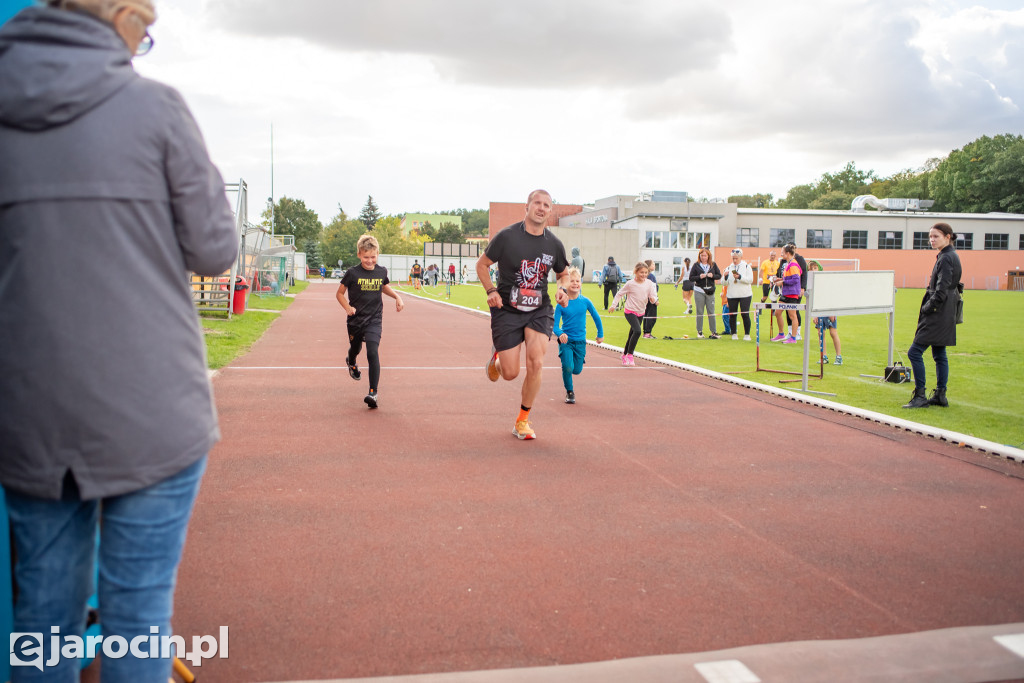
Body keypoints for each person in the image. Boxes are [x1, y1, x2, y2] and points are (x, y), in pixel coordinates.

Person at [0, 1, 238, 680]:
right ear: (126, 18)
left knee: (42, 620)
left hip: (27, 410)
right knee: (138, 618)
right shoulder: (157, 109)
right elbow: (216, 250)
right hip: (151, 407)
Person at [477, 189, 569, 440]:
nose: (541, 208)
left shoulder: (554, 244)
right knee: (510, 373)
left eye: (546, 205)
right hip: (506, 310)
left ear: (550, 211)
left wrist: (562, 289)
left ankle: (523, 420)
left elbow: (563, 273)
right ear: (526, 207)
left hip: (539, 310)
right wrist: (491, 290)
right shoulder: (506, 237)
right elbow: (482, 265)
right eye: (537, 203)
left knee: (536, 363)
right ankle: (497, 360)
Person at [336, 234, 404, 408]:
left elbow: (383, 286)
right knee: (356, 348)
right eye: (366, 257)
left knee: (372, 352)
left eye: (373, 257)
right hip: (355, 320)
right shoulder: (352, 273)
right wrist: (347, 308)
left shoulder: (381, 271)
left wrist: (397, 296)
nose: (369, 260)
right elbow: (339, 294)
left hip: (374, 319)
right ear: (359, 254)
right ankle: (351, 362)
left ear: (378, 254)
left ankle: (373, 393)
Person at [904, 222, 962, 409]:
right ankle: (940, 394)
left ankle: (920, 395)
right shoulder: (949, 255)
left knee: (914, 352)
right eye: (930, 236)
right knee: (939, 353)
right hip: (946, 311)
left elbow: (942, 289)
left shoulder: (947, 257)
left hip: (939, 311)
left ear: (947, 236)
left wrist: (928, 307)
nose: (931, 240)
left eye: (935, 236)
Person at [553, 267, 604, 404]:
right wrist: (560, 333)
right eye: (572, 281)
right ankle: (570, 392)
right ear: (566, 284)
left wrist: (600, 334)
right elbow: (555, 326)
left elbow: (596, 317)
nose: (575, 283)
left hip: (580, 342)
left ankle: (571, 365)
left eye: (577, 281)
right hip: (566, 341)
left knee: (576, 370)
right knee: (568, 367)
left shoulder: (585, 301)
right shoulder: (561, 304)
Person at [610, 262, 659, 365]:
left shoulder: (649, 283)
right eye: (641, 272)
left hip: (641, 312)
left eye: (646, 272)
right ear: (636, 272)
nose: (644, 275)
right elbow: (619, 294)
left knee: (631, 334)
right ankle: (630, 355)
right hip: (629, 311)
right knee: (637, 331)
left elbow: (653, 295)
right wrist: (613, 305)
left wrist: (653, 300)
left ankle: (624, 354)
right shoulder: (630, 284)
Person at [808, 260, 843, 365]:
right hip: (819, 311)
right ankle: (823, 356)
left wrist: (832, 311)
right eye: (810, 269)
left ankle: (838, 356)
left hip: (829, 309)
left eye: (815, 268)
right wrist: (814, 314)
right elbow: (813, 300)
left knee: (833, 333)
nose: (813, 270)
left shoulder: (825, 280)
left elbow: (831, 295)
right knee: (820, 333)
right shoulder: (811, 284)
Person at [770, 245, 803, 344]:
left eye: (782, 252)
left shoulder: (793, 264)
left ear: (788, 253)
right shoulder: (788, 264)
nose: (781, 254)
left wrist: (783, 283)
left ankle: (793, 338)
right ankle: (781, 334)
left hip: (792, 294)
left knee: (792, 315)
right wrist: (781, 279)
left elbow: (796, 280)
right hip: (786, 293)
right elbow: (790, 278)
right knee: (777, 312)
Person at [688, 248, 722, 339]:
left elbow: (719, 275)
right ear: (699, 256)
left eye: (705, 256)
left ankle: (714, 332)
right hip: (699, 290)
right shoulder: (696, 265)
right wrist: (699, 277)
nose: (703, 257)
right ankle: (699, 332)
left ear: (708, 256)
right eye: (702, 255)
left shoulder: (713, 265)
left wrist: (712, 276)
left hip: (710, 291)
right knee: (700, 311)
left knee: (711, 312)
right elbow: (691, 278)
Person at [723, 248, 755, 340]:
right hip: (732, 295)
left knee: (745, 314)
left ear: (741, 257)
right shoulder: (729, 268)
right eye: (733, 258)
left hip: (745, 295)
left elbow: (750, 280)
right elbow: (724, 283)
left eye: (736, 258)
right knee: (732, 314)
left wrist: (740, 277)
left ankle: (747, 334)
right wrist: (725, 277)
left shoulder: (746, 267)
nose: (734, 260)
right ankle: (733, 333)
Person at [642, 259, 659, 338]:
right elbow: (653, 289)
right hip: (651, 299)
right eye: (653, 264)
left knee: (646, 315)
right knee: (652, 316)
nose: (654, 266)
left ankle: (646, 332)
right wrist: (655, 299)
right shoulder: (650, 276)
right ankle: (647, 333)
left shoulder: (646, 275)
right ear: (648, 266)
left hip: (645, 298)